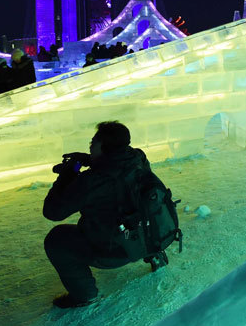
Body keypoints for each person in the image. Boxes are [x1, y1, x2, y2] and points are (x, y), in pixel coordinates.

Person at [43, 121, 160, 308]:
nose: (90, 146)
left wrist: (66, 176)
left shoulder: (92, 181)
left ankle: (85, 295)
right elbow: (117, 163)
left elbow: (52, 211)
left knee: (56, 239)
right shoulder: (138, 158)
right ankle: (155, 255)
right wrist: (89, 159)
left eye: (92, 143)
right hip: (149, 235)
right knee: (140, 208)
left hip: (114, 250)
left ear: (103, 147)